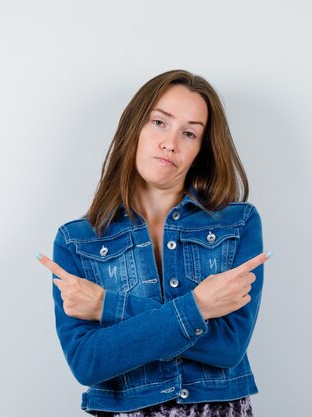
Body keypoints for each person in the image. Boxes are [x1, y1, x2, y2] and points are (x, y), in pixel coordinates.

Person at [36, 69, 272, 417]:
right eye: (160, 122)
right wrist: (200, 307)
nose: (170, 143)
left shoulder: (237, 224)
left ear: (200, 151)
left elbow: (228, 347)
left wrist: (108, 306)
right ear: (135, 127)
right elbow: (88, 363)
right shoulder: (76, 241)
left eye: (189, 133)